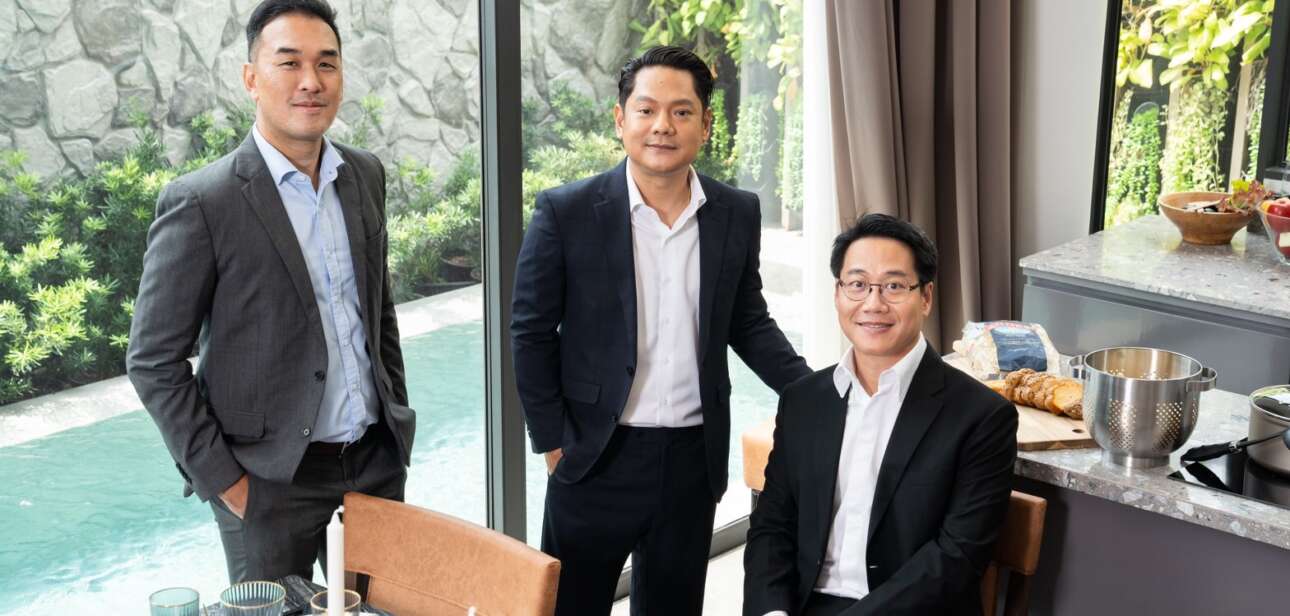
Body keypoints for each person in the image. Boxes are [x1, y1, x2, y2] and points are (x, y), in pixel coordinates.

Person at [511, 45, 811, 616]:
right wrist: (553, 443)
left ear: (705, 124)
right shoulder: (566, 212)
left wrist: (815, 390)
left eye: (681, 111)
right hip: (595, 454)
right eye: (646, 110)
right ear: (620, 119)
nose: (662, 126)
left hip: (691, 460)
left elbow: (747, 321)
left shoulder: (736, 212)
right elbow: (530, 331)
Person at [126, 0, 414, 583]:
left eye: (326, 63)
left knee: (382, 607)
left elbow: (376, 312)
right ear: (252, 79)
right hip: (267, 481)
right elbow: (152, 361)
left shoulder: (364, 175)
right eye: (289, 63)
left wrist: (395, 420)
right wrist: (228, 484)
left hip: (373, 466)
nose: (311, 81)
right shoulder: (203, 202)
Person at [743, 213, 1018, 616]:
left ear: (926, 297)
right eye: (857, 284)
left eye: (893, 286)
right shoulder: (803, 400)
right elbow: (772, 526)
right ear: (838, 294)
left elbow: (956, 557)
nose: (873, 304)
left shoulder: (982, 417)